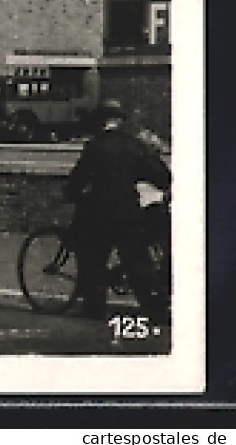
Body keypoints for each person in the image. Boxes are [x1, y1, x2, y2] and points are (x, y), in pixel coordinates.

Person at [63, 98, 171, 322]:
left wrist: (72, 194)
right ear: (121, 120)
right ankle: (157, 309)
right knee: (138, 262)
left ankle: (94, 309)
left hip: (98, 214)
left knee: (92, 258)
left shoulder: (95, 146)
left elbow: (78, 179)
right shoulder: (135, 145)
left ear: (100, 121)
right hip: (128, 213)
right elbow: (162, 177)